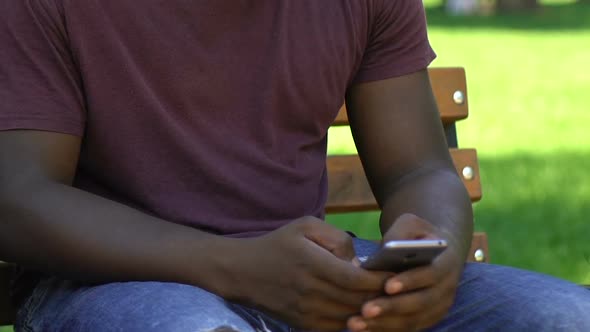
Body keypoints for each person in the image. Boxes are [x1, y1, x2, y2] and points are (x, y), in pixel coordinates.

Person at [0, 1, 588, 331]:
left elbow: (420, 171)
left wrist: (433, 251)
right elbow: (18, 199)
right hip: (115, 284)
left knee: (565, 318)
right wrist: (238, 269)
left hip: (319, 280)